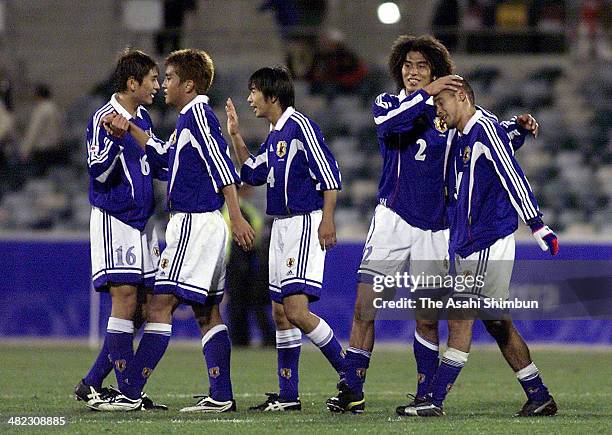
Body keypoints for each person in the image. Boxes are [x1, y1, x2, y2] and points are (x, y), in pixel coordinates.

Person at [325, 34, 538, 414]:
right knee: (365, 306)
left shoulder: (448, 112)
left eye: (422, 66)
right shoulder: (388, 103)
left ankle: (426, 393)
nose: (413, 72)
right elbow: (390, 127)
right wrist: (427, 94)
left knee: (427, 316)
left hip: (439, 228)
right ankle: (352, 388)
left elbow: (486, 135)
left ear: (438, 72)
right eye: (408, 65)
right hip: (393, 219)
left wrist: (519, 127)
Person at [95, 48, 255, 412]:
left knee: (157, 306)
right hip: (206, 224)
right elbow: (165, 156)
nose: (164, 84)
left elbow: (222, 166)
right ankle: (221, 395)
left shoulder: (197, 115)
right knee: (207, 313)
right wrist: (129, 127)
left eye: (168, 78)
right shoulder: (189, 118)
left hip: (195, 222)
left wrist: (238, 214)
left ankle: (130, 392)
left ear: (189, 83)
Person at [398, 79, 558, 417]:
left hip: (488, 239)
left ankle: (434, 400)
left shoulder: (482, 129)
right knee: (497, 323)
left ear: (461, 97)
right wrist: (518, 128)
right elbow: (499, 142)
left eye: (440, 102)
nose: (437, 110)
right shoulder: (466, 132)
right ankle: (539, 394)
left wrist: (537, 224)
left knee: (460, 318)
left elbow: (511, 174)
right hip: (469, 242)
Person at [225, 66, 345, 411]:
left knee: (295, 310)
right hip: (280, 228)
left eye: (253, 91)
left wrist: (327, 220)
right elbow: (252, 172)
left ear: (272, 95)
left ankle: (351, 374)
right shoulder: (276, 134)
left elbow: (330, 175)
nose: (249, 98)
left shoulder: (301, 127)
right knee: (280, 313)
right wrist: (235, 135)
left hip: (303, 223)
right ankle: (288, 395)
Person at [75, 49, 167, 411]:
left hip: (143, 223)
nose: (158, 86)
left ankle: (94, 383)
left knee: (145, 306)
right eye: (153, 80)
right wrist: (115, 138)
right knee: (125, 300)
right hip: (116, 218)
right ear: (133, 83)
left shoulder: (143, 117)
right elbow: (97, 171)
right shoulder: (103, 118)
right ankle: (129, 390)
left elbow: (152, 162)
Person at [223, 184, 275, 347]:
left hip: (244, 260)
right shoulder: (237, 210)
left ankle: (241, 339)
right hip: (238, 260)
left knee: (244, 302)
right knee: (239, 302)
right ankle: (240, 339)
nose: (252, 191)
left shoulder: (243, 207)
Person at [20, 83, 64, 176]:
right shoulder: (55, 108)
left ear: (38, 95)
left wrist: (25, 150)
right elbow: (61, 127)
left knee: (40, 176)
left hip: (42, 149)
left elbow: (34, 131)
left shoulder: (40, 110)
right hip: (55, 148)